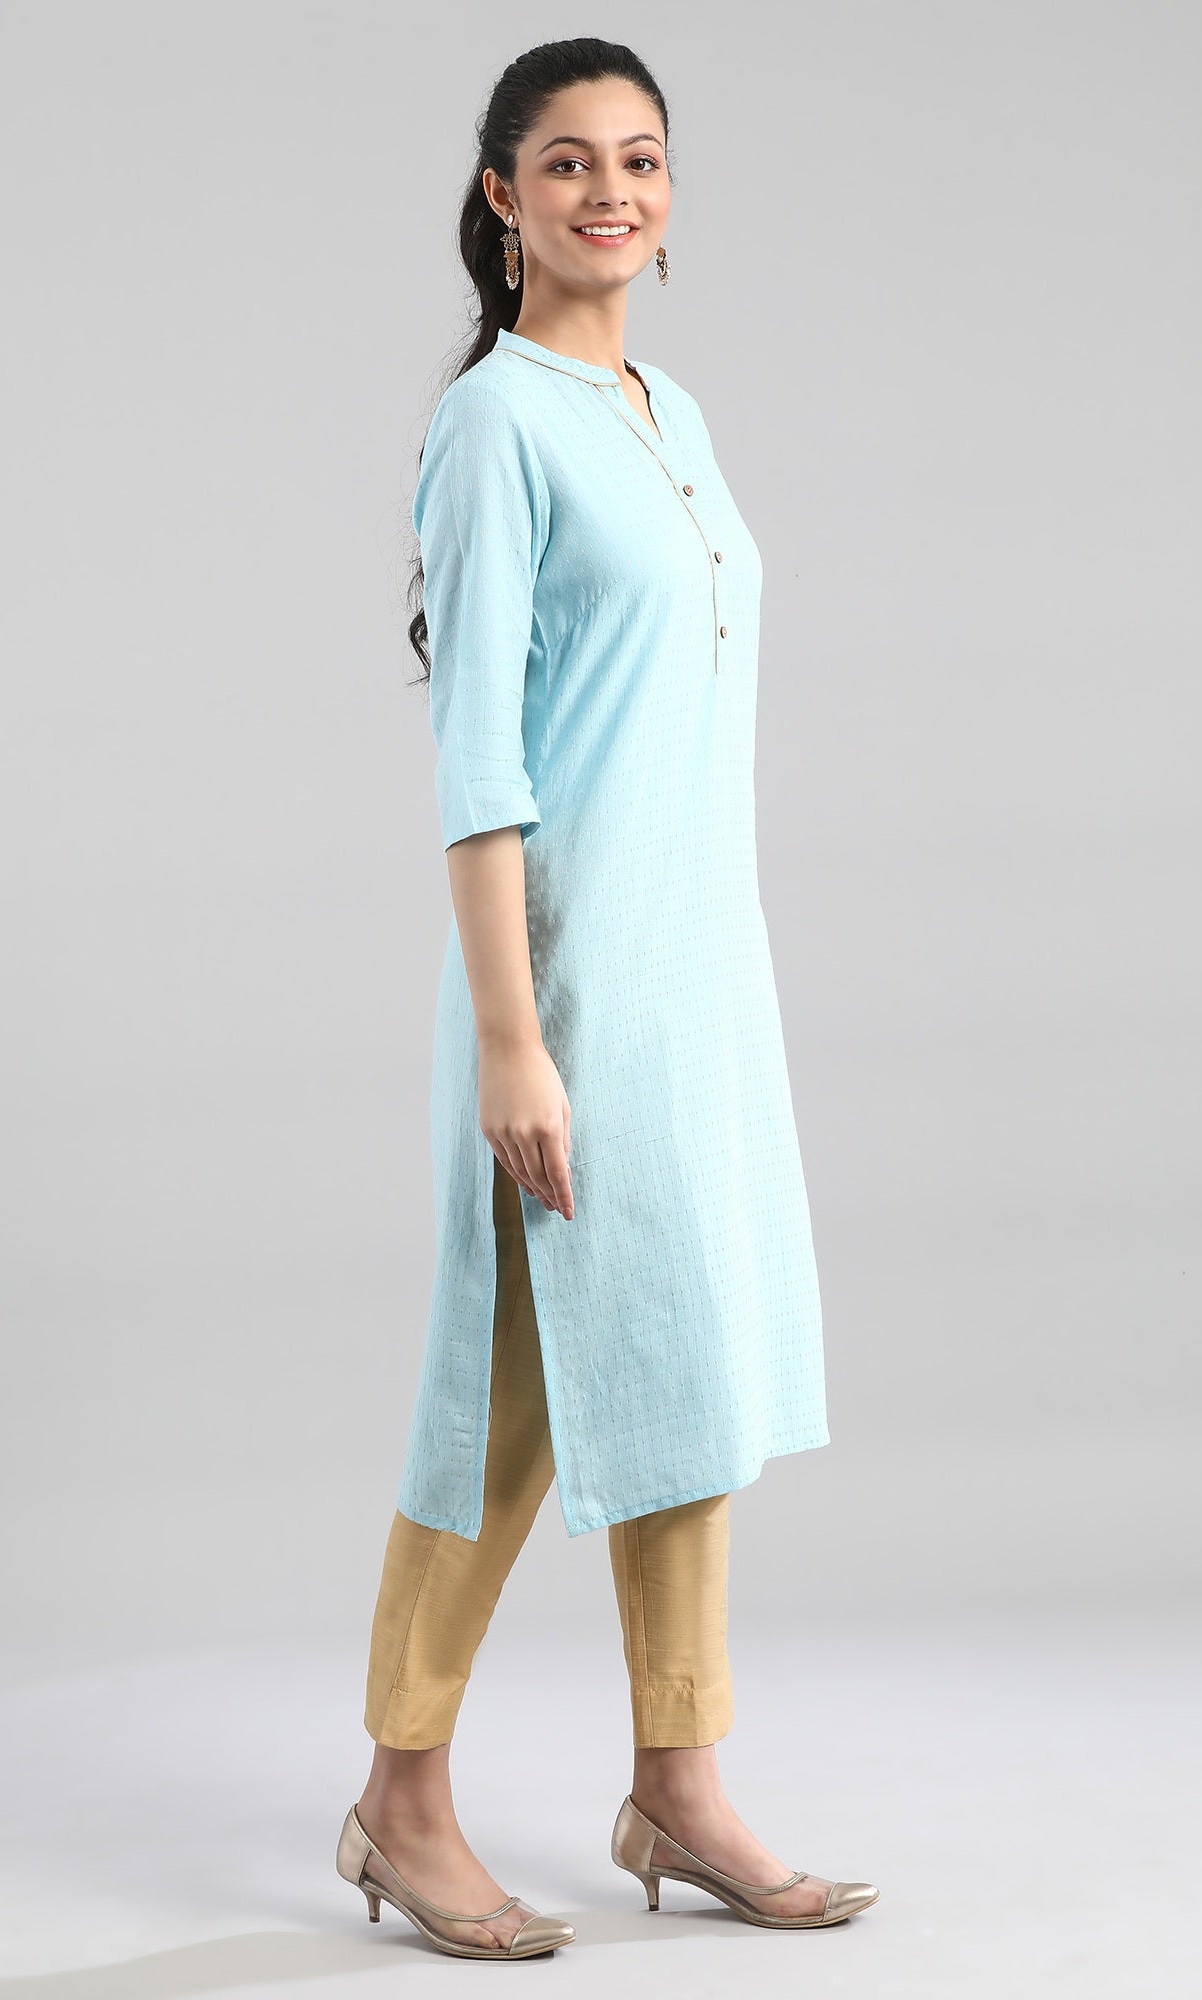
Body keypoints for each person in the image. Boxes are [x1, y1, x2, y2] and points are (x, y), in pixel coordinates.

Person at [335, 36, 880, 1962]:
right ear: (501, 196)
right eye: (565, 162)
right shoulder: (497, 425)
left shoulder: (672, 409)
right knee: (504, 1408)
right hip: (562, 987)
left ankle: (679, 1781)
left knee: (687, 1368)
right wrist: (513, 1037)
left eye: (639, 159)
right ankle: (401, 1801)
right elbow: (478, 757)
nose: (609, 193)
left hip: (694, 978)